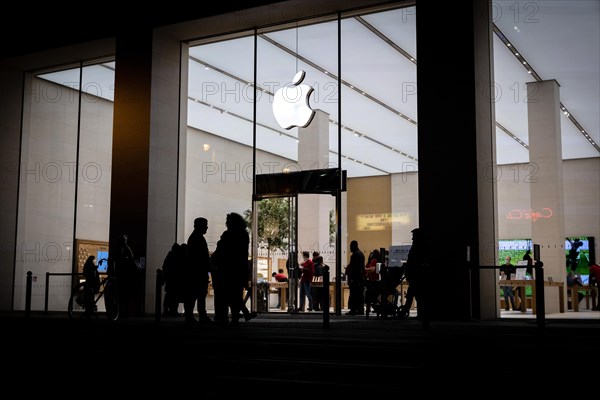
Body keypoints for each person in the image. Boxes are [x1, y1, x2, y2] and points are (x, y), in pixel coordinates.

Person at [210, 212, 250, 326]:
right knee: (236, 293)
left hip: (226, 270)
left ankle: (227, 317)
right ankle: (237, 316)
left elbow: (222, 251)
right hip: (239, 269)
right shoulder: (244, 234)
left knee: (227, 294)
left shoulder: (228, 235)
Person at [184, 217, 212, 326]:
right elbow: (202, 257)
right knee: (198, 295)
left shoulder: (194, 237)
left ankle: (192, 317)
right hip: (198, 272)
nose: (207, 227)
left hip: (195, 272)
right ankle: (199, 317)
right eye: (205, 225)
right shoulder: (198, 238)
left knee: (195, 296)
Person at [400, 228, 427, 319]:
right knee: (413, 294)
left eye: (413, 235)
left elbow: (413, 260)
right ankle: (406, 312)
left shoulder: (417, 245)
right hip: (416, 274)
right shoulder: (419, 244)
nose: (412, 237)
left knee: (414, 295)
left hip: (416, 274)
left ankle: (405, 313)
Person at [162, 242, 184, 317]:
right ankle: (173, 310)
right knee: (174, 296)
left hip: (170, 279)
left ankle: (168, 310)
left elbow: (165, 267)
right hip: (174, 280)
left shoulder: (170, 256)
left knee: (169, 295)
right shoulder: (175, 257)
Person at [345, 240, 365, 315]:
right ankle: (360, 309)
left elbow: (353, 268)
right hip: (360, 278)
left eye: (350, 246)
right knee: (359, 295)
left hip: (356, 278)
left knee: (354, 294)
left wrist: (351, 278)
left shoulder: (354, 255)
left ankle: (353, 309)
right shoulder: (361, 254)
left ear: (354, 246)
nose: (350, 248)